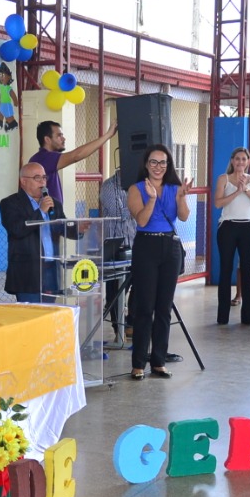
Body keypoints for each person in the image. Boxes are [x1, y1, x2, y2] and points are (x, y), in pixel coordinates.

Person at [127, 144, 192, 380]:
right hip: (146, 246)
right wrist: (152, 200)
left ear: (168, 165)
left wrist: (182, 197)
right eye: (153, 162)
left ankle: (158, 361)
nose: (158, 167)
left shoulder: (175, 188)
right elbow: (142, 221)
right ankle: (138, 364)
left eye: (163, 162)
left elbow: (183, 216)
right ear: (146, 164)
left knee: (164, 308)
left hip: (170, 246)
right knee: (145, 308)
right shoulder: (136, 189)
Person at [1, 162, 80, 303]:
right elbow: (16, 230)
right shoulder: (10, 203)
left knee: (48, 317)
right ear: (23, 181)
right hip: (28, 273)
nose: (42, 182)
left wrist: (78, 229)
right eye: (37, 178)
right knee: (31, 318)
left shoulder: (54, 204)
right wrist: (41, 212)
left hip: (51, 269)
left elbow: (62, 227)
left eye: (44, 177)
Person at [213, 147, 250, 325]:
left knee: (246, 269)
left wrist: (246, 190)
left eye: (244, 159)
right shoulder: (223, 179)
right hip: (228, 227)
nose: (240, 162)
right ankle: (223, 316)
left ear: (248, 161)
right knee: (226, 269)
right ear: (232, 161)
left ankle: (248, 316)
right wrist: (236, 191)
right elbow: (218, 203)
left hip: (248, 227)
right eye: (237, 159)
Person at [30, 119, 117, 206]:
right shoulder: (43, 158)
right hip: (45, 217)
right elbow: (76, 155)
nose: (64, 138)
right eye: (59, 136)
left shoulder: (45, 157)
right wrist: (108, 135)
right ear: (47, 139)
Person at [99, 168, 137, 343]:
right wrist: (142, 205)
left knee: (140, 287)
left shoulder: (139, 185)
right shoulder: (108, 187)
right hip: (115, 247)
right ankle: (118, 330)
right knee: (115, 291)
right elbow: (119, 214)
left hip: (136, 244)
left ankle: (132, 324)